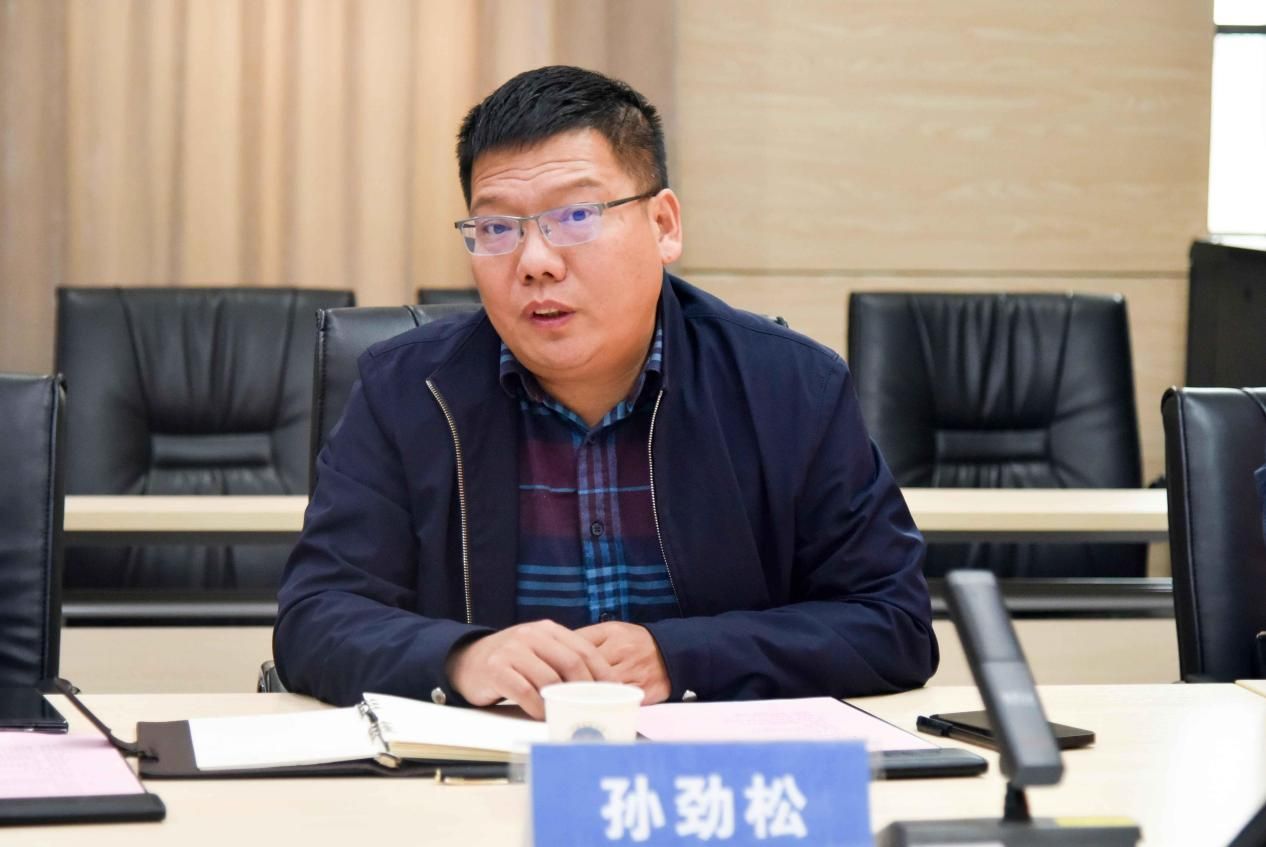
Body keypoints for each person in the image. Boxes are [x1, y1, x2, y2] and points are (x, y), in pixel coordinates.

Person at [274, 65, 938, 717]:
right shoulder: (405, 392)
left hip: (713, 768)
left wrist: (681, 657)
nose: (535, 262)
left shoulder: (790, 388)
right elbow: (316, 616)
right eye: (498, 228)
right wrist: (462, 658)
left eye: (576, 215)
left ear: (664, 226)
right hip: (486, 769)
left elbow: (891, 619)